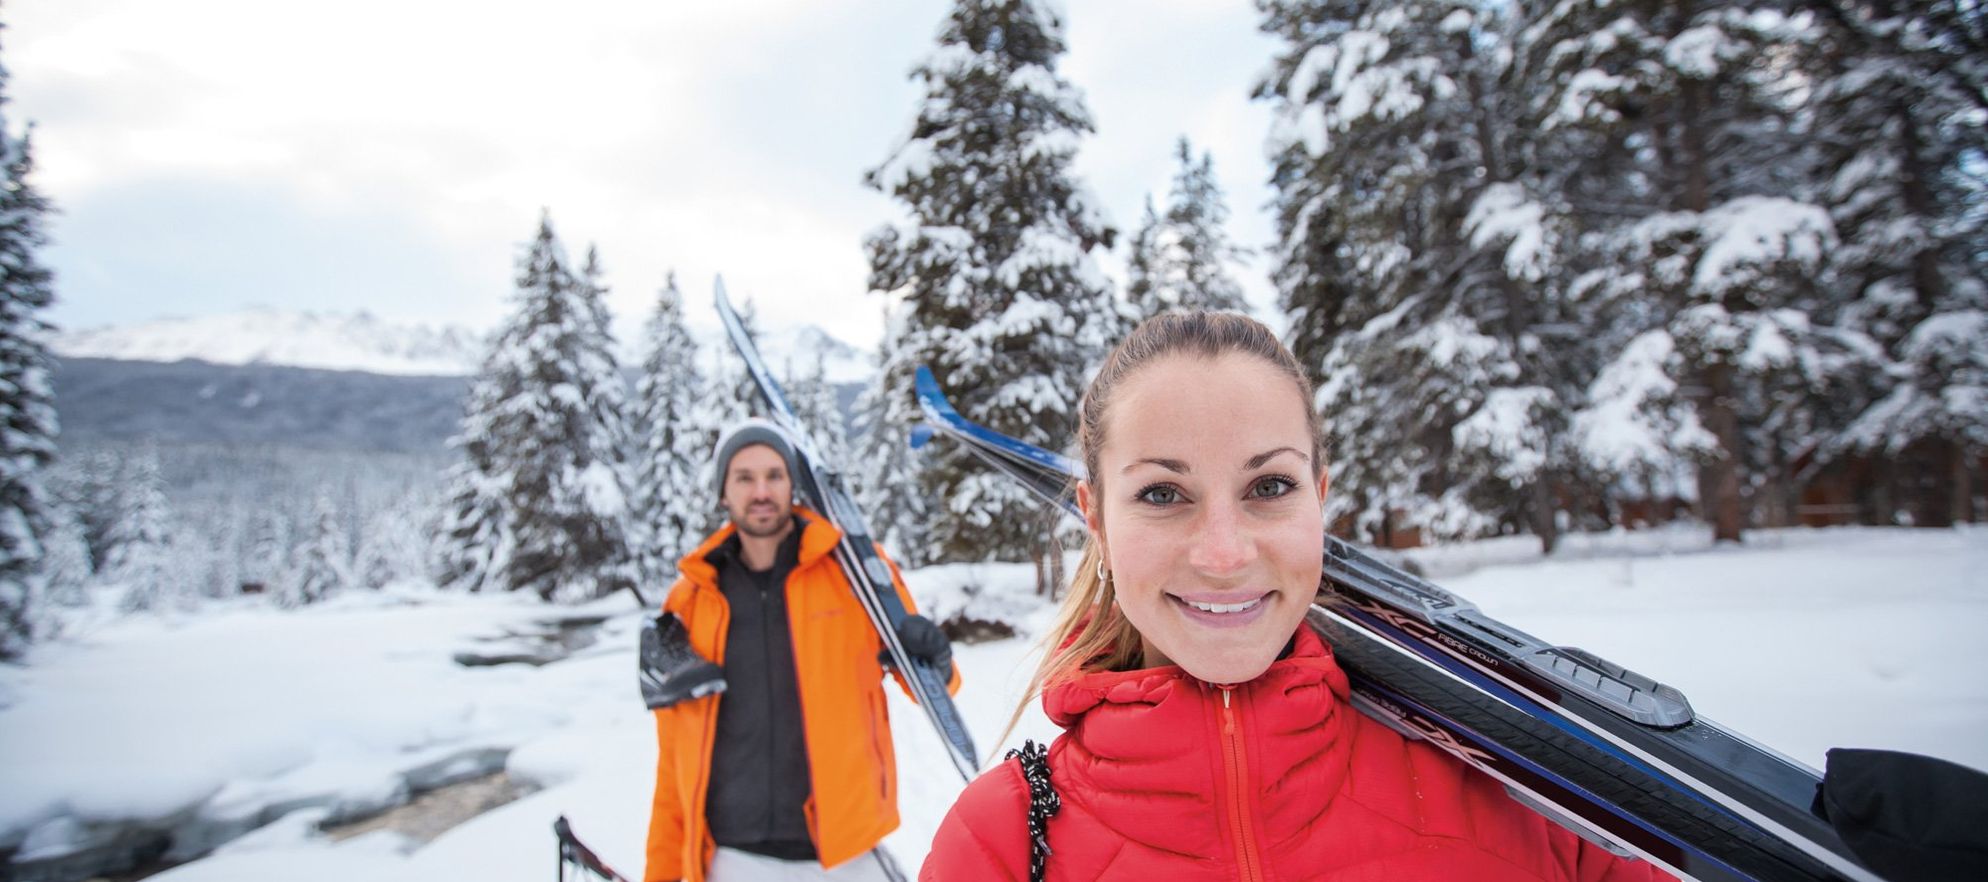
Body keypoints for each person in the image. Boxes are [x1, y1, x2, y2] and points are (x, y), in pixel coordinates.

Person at [919, 313, 1666, 881]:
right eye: (1161, 492)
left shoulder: (1523, 789)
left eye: (1268, 487)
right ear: (1095, 517)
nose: (1223, 553)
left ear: (1320, 495)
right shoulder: (1000, 844)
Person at [646, 418, 959, 882]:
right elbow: (675, 761)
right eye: (745, 478)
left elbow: (930, 685)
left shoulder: (854, 571)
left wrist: (937, 662)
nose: (761, 491)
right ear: (723, 492)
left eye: (774, 475)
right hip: (731, 856)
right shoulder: (690, 601)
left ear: (792, 483)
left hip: (843, 854)